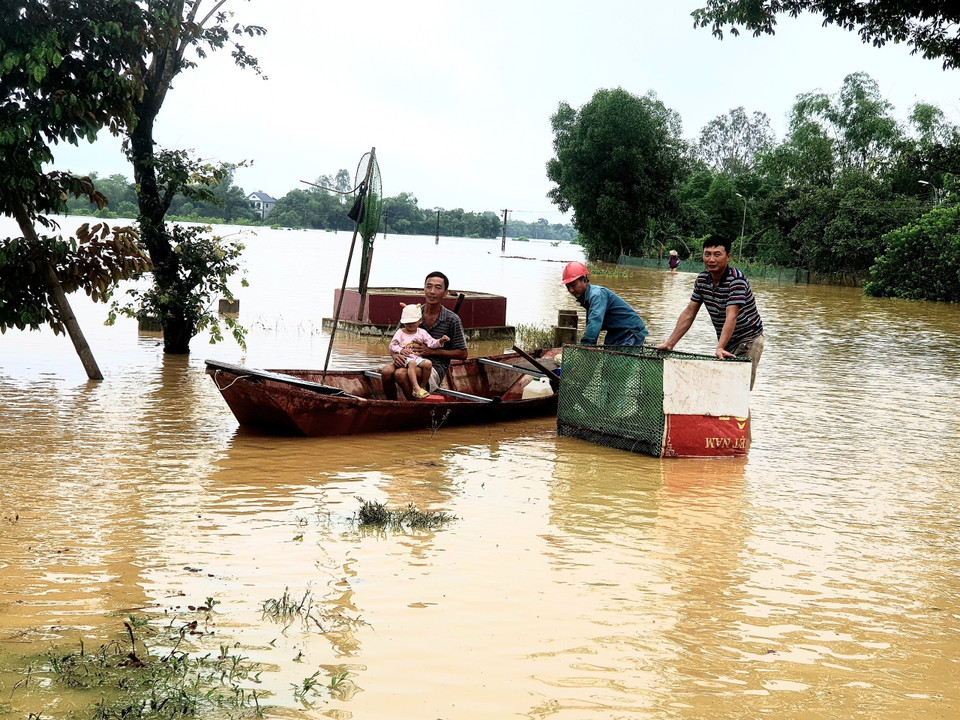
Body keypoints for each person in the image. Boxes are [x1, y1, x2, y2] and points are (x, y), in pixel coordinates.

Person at [656, 235, 765, 389]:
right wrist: (670, 343)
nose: (711, 259)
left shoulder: (736, 281)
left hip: (748, 339)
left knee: (737, 392)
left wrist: (720, 347)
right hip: (728, 340)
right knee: (721, 390)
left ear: (728, 257)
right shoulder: (702, 280)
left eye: (717, 254)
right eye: (707, 254)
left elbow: (731, 316)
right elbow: (689, 313)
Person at [381, 271, 468, 400]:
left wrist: (431, 352)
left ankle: (415, 405)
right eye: (429, 286)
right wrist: (396, 356)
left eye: (438, 287)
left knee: (400, 374)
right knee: (386, 372)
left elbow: (463, 354)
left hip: (434, 367)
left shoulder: (452, 319)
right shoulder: (411, 313)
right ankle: (391, 404)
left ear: (445, 293)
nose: (432, 291)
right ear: (424, 289)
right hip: (409, 360)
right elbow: (394, 344)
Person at [561, 261, 648, 346]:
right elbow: (592, 324)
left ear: (584, 281)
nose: (571, 290)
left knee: (620, 360)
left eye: (573, 285)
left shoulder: (596, 295)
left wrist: (585, 346)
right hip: (616, 332)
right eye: (568, 287)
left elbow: (595, 321)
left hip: (630, 332)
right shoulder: (587, 297)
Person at [388, 303, 449, 399]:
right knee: (411, 363)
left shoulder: (422, 333)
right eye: (408, 322)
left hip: (417, 358)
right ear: (403, 322)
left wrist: (440, 341)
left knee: (428, 363)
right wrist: (400, 351)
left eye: (413, 321)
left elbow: (432, 343)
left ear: (420, 321)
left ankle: (422, 387)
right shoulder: (400, 332)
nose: (411, 324)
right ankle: (415, 387)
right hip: (406, 359)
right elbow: (392, 345)